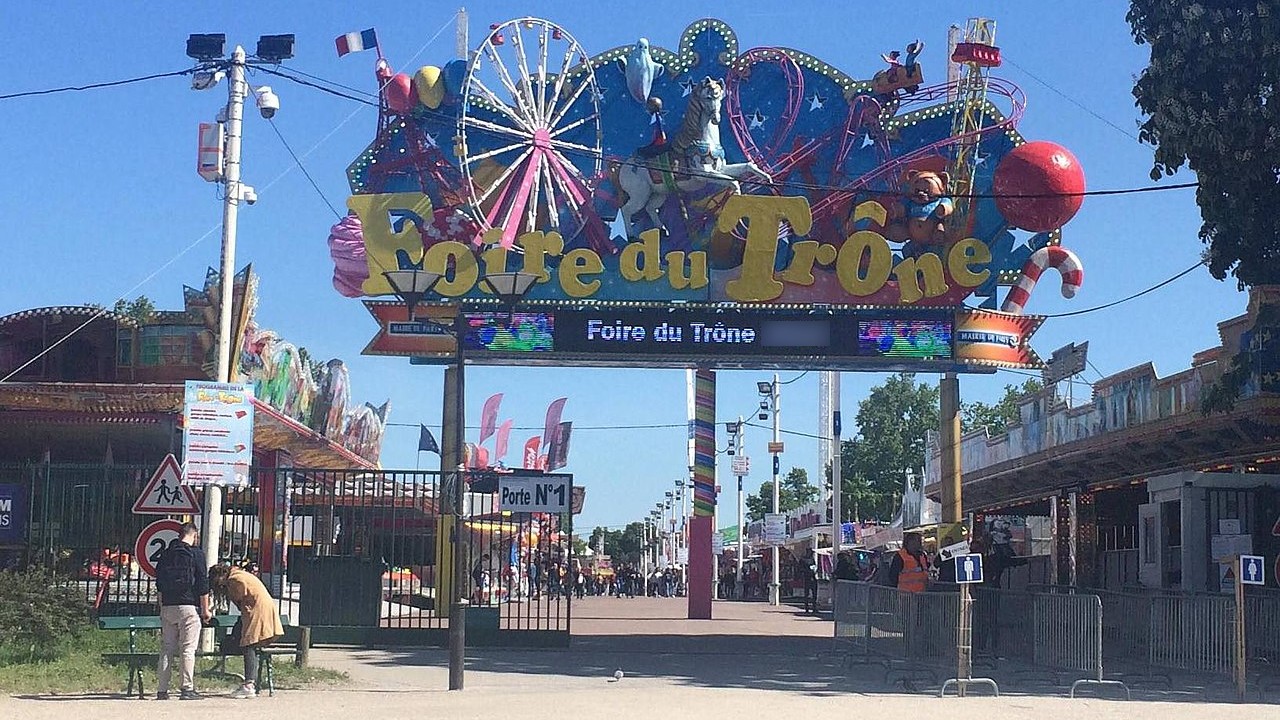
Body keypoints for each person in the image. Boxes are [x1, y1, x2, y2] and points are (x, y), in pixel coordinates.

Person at [208, 564, 284, 699]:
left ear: (220, 575)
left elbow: (239, 597)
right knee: (249, 644)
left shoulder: (235, 579)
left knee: (249, 644)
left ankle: (249, 684)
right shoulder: (241, 574)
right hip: (261, 608)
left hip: (256, 610)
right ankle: (250, 682)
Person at [154, 522, 211, 700]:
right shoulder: (196, 554)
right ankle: (186, 689)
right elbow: (203, 584)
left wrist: (162, 606)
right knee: (187, 649)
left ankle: (162, 690)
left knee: (167, 649)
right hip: (188, 607)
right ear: (194, 535)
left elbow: (159, 583)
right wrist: (205, 610)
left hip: (168, 606)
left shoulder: (166, 554)